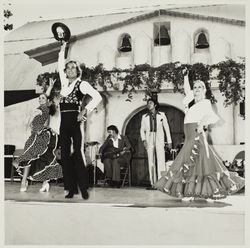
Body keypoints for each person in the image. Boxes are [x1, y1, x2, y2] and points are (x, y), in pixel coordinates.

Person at [154, 69, 245, 201]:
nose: (196, 89)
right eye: (195, 87)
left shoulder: (205, 102)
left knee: (192, 160)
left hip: (196, 134)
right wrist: (185, 77)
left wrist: (202, 123)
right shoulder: (192, 103)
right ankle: (196, 192)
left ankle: (198, 191)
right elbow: (187, 90)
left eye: (199, 87)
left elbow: (212, 117)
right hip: (189, 134)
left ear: (204, 90)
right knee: (199, 161)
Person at [58, 42, 102, 199]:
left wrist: (84, 110)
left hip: (76, 124)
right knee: (65, 156)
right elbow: (59, 65)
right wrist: (63, 48)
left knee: (78, 155)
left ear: (77, 71)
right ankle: (70, 189)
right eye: (68, 68)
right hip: (63, 124)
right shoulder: (64, 85)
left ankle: (83, 188)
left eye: (73, 68)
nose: (70, 70)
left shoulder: (81, 84)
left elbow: (98, 97)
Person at [12, 90, 63, 192]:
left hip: (41, 136)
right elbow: (32, 124)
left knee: (29, 158)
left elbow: (31, 122)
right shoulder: (43, 108)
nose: (40, 99)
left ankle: (23, 182)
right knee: (37, 159)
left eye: (42, 98)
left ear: (47, 101)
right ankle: (45, 183)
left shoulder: (42, 109)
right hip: (34, 135)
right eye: (39, 98)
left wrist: (32, 119)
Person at [140, 98, 172, 190]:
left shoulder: (162, 115)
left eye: (151, 103)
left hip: (159, 138)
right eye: (148, 103)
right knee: (151, 160)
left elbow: (167, 128)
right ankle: (152, 183)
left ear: (155, 105)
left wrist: (169, 142)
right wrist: (144, 140)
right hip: (149, 138)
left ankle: (161, 183)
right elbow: (142, 129)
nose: (149, 104)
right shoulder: (144, 116)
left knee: (161, 159)